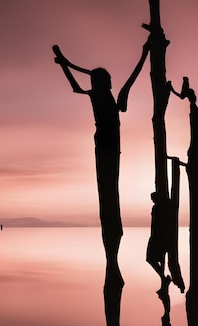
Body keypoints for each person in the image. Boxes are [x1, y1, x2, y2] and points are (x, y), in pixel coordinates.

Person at [53, 37, 150, 283]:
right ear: (103, 82)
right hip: (106, 149)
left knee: (110, 197)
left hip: (109, 150)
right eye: (107, 80)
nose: (110, 83)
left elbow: (127, 82)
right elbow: (78, 86)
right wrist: (65, 65)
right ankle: (112, 261)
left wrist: (144, 54)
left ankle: (112, 261)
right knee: (108, 197)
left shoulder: (102, 96)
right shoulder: (97, 95)